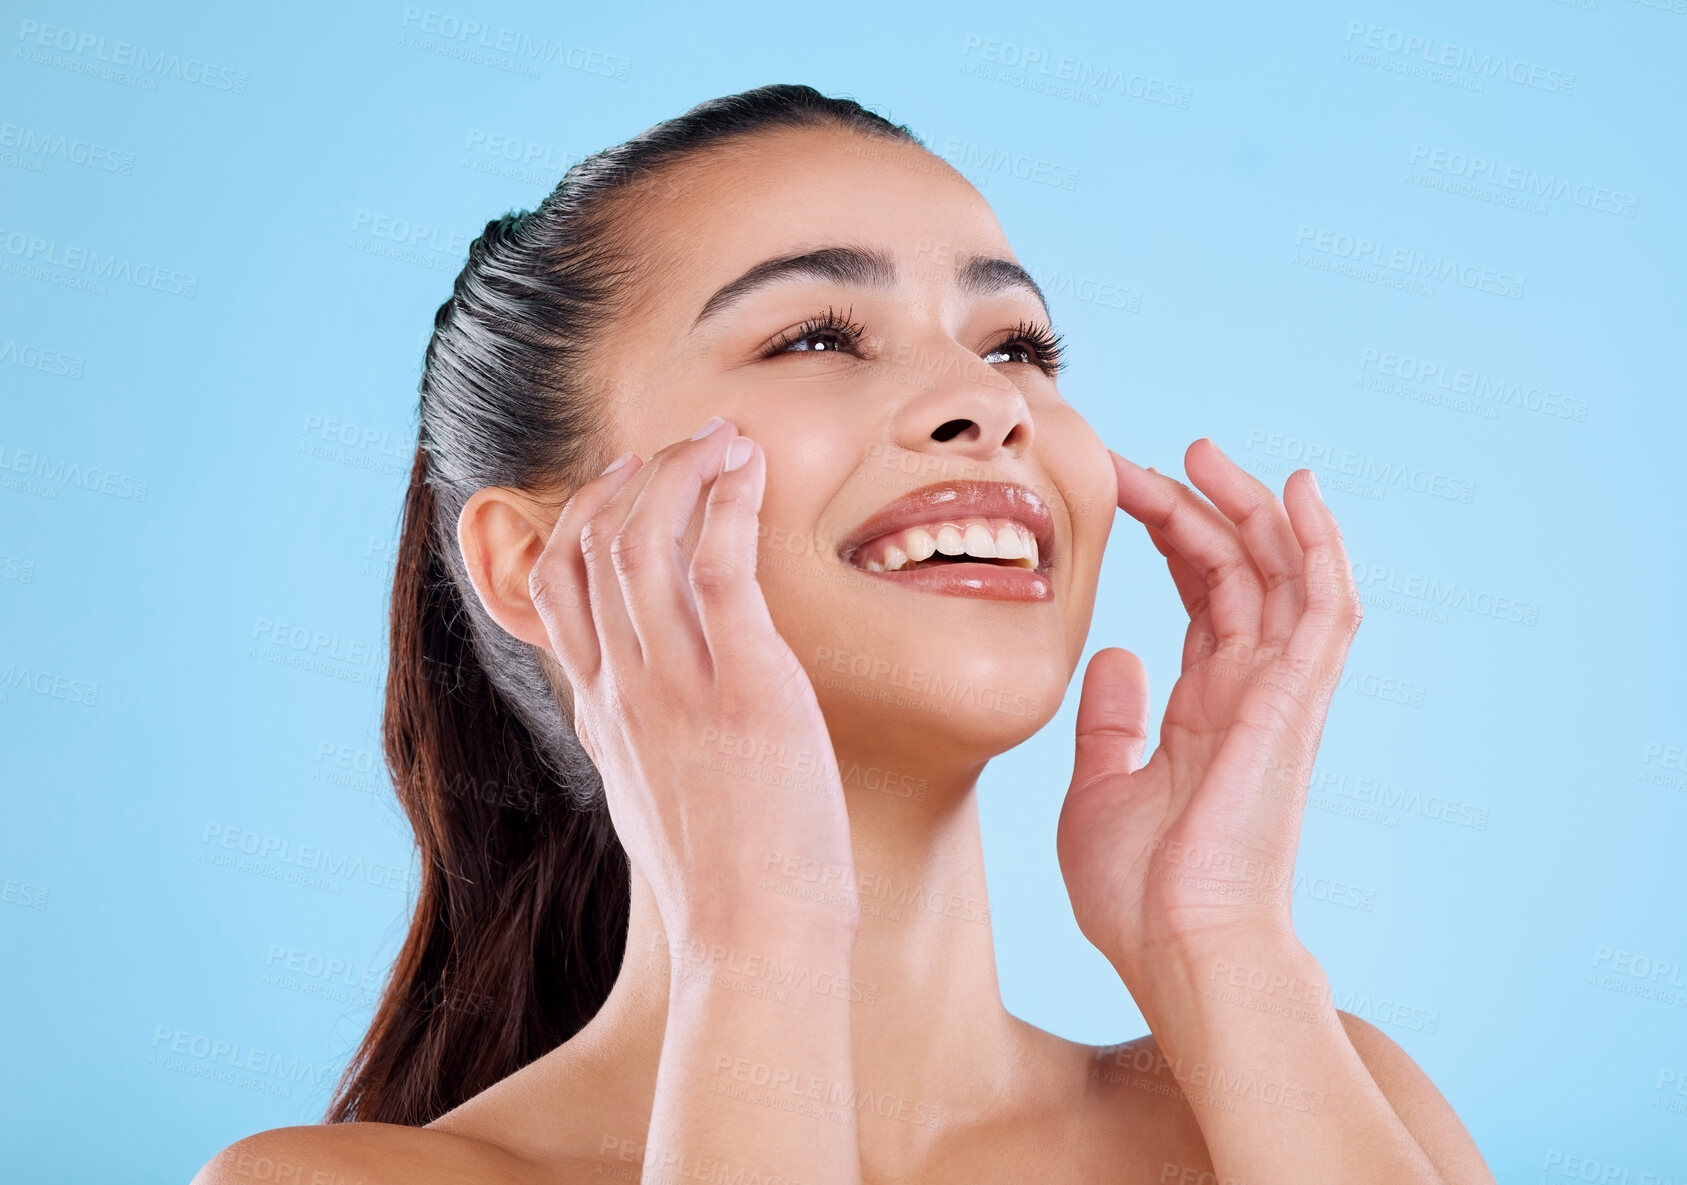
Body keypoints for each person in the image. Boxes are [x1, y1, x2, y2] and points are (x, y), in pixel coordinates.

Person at [195, 83, 1494, 1184]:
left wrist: (1220, 936)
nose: (986, 402)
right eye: (817, 334)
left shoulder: (1322, 1098)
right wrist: (760, 939)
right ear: (536, 565)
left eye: (1019, 344)